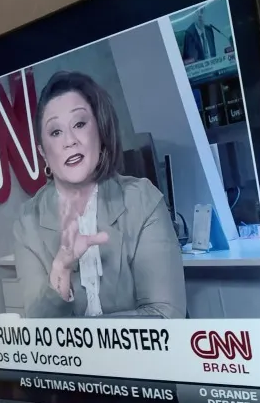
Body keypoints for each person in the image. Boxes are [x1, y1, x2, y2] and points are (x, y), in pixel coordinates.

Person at [13, 71, 187, 318]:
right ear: (43, 153)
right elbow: (40, 331)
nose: (69, 141)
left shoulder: (143, 200)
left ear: (100, 133)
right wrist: (61, 268)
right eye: (55, 132)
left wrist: (84, 333)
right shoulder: (27, 223)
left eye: (79, 124)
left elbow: (165, 315)